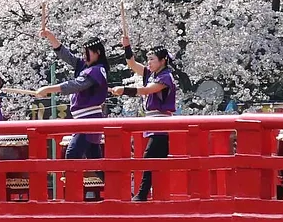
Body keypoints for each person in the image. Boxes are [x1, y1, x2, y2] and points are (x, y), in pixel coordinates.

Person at [32, 12, 108, 162]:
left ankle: (73, 185)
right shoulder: (86, 66)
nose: (84, 56)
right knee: (95, 161)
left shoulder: (97, 70)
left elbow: (76, 85)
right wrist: (50, 36)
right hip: (83, 118)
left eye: (88, 53)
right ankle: (113, 186)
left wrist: (48, 89)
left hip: (89, 118)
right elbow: (66, 55)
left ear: (97, 53)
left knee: (72, 154)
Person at [111, 29, 175, 202]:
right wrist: (127, 46)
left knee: (148, 159)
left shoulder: (166, 77)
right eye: (148, 59)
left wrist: (125, 90)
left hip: (161, 123)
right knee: (153, 161)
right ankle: (148, 195)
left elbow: (147, 90)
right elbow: (131, 63)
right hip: (152, 124)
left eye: (152, 59)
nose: (149, 62)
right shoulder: (151, 74)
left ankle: (142, 195)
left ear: (163, 61)